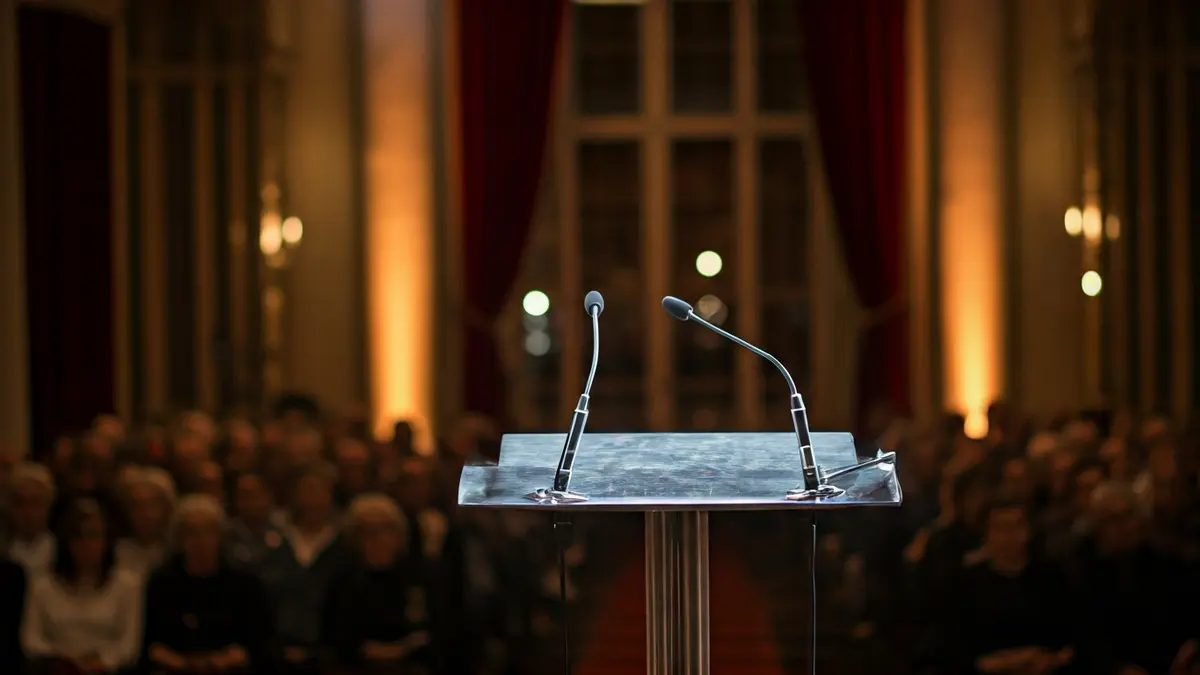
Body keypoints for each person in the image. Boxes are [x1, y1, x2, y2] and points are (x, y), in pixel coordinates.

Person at [140, 495, 275, 673]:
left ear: (220, 536)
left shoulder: (244, 583)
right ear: (179, 538)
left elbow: (259, 644)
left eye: (207, 531)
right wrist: (182, 663)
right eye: (191, 532)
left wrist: (222, 660)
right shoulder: (162, 582)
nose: (200, 540)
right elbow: (149, 643)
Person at [21, 499, 142, 674]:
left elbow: (128, 645)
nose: (86, 545)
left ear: (107, 540)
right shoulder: (42, 585)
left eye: (93, 535)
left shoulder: (128, 585)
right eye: (78, 536)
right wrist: (68, 660)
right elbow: (31, 640)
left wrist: (102, 662)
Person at [326, 494, 438, 674]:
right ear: (355, 538)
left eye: (386, 529)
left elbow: (429, 630)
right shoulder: (344, 581)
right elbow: (338, 636)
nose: (378, 538)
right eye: (368, 531)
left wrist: (401, 650)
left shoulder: (417, 577)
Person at [114, 467, 175, 578]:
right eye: (138, 506)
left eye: (153, 505)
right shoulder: (117, 553)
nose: (146, 514)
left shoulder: (175, 550)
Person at [8, 462, 57, 575]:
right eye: (20, 503)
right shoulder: (5, 552)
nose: (27, 512)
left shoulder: (61, 553)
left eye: (34, 502)